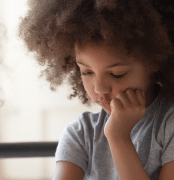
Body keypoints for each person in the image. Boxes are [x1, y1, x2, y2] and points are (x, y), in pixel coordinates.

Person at [18, 0, 174, 179]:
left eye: (117, 74)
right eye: (86, 71)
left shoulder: (168, 128)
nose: (100, 88)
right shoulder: (80, 134)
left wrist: (118, 138)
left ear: (155, 62)